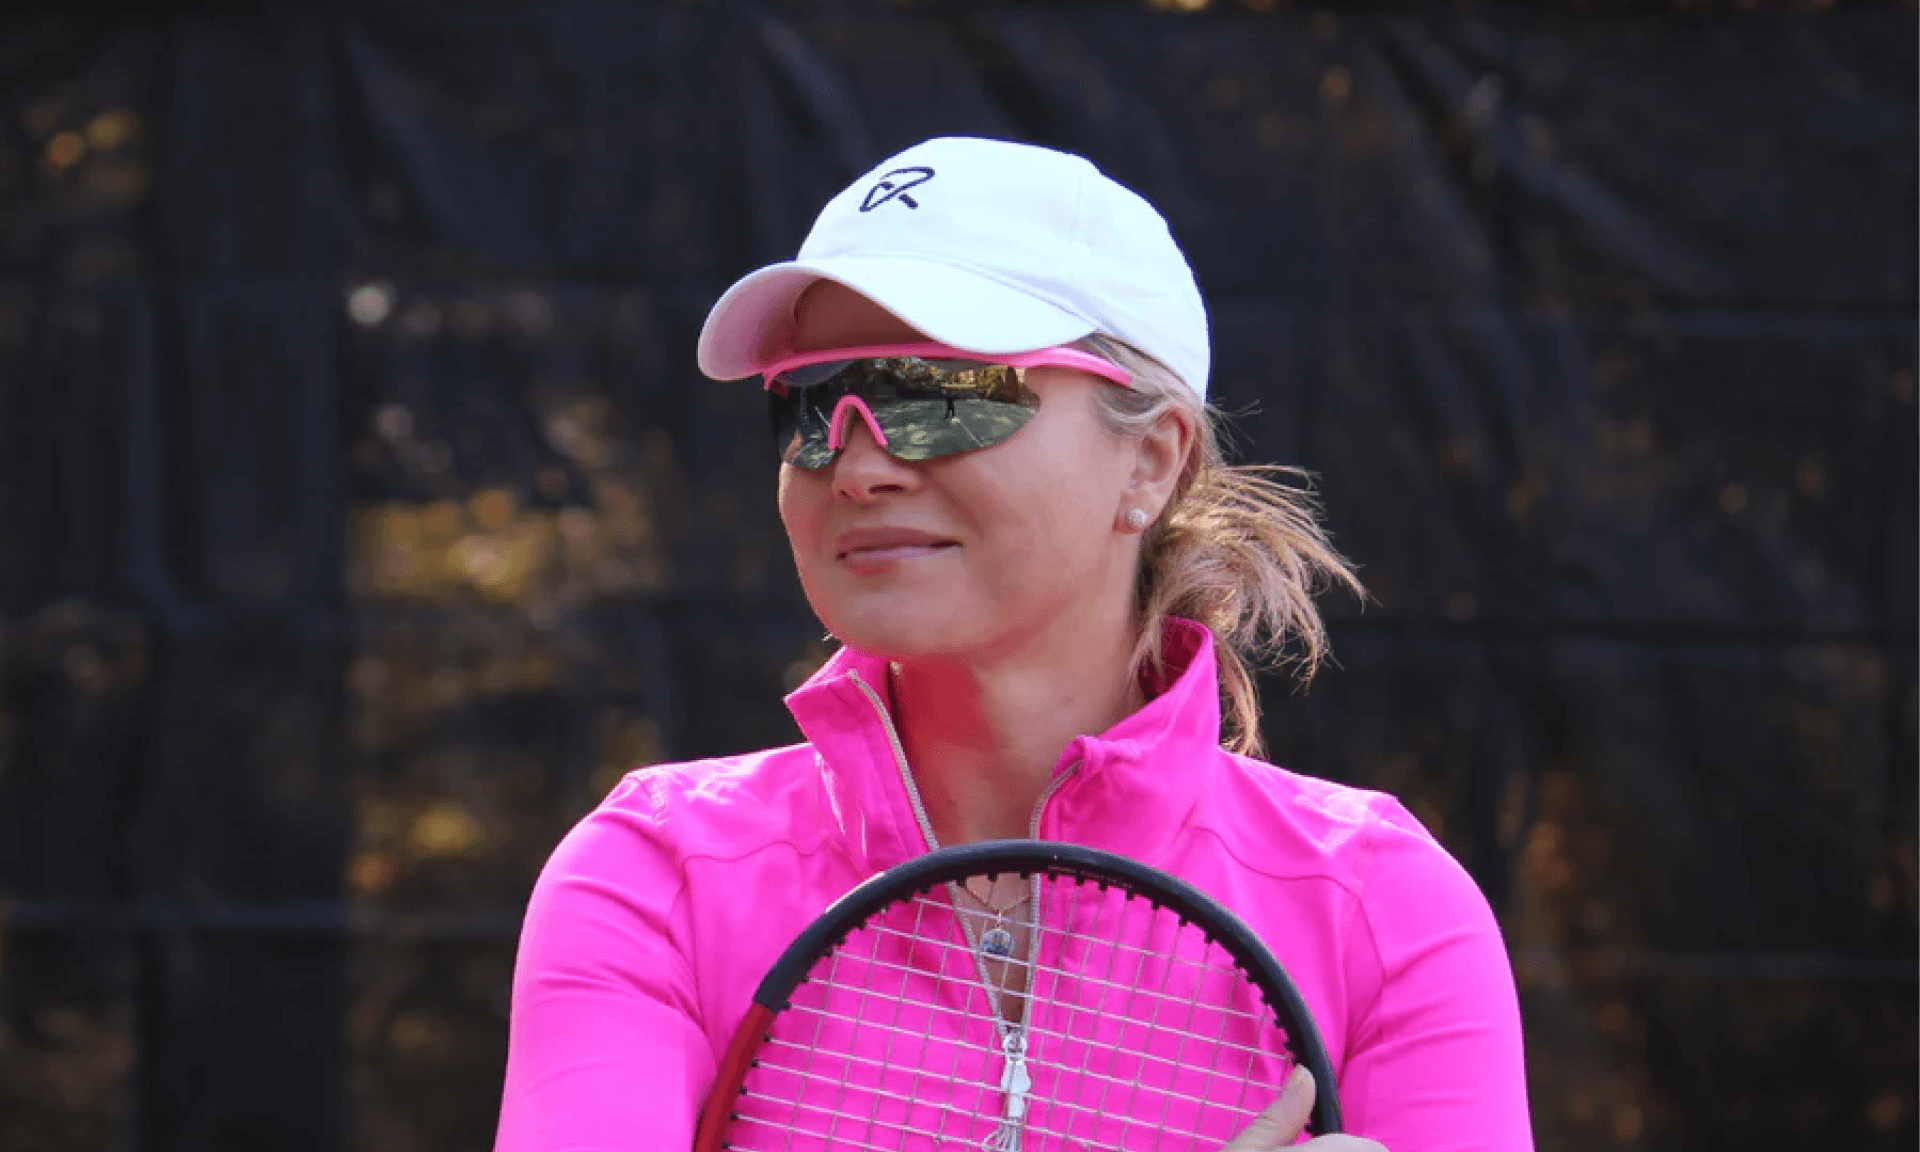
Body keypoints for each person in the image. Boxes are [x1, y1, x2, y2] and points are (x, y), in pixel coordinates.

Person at [494, 136, 1532, 1151]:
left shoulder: (1388, 911)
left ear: (1153, 460)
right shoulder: (652, 877)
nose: (856, 465)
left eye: (944, 393)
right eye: (814, 404)